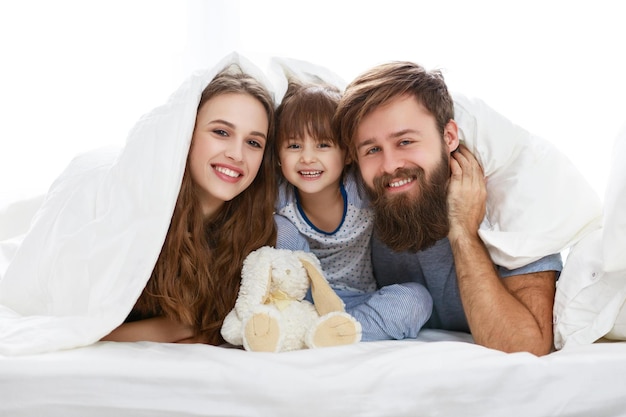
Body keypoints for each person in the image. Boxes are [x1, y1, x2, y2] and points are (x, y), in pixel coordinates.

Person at [333, 61, 563, 355]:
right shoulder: (360, 201)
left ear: (449, 137)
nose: (390, 165)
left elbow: (525, 348)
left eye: (405, 141)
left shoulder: (512, 200)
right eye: (372, 150)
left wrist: (464, 231)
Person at [102, 63, 280, 345]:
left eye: (254, 143)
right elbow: (86, 327)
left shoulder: (259, 231)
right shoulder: (137, 213)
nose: (236, 154)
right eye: (221, 132)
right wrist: (174, 328)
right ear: (187, 134)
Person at [272, 80, 433, 341]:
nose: (307, 158)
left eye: (323, 145)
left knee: (417, 298)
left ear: (348, 154)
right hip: (302, 301)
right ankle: (309, 329)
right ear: (279, 157)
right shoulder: (280, 199)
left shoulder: (361, 190)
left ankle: (338, 333)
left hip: (360, 301)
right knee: (279, 230)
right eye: (294, 146)